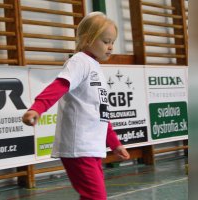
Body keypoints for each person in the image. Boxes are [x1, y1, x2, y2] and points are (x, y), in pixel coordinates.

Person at [22, 12, 130, 200]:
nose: (111, 47)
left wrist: (114, 143)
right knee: (96, 197)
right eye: (106, 41)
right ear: (88, 39)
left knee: (91, 196)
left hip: (92, 147)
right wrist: (37, 107)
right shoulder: (79, 61)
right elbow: (59, 86)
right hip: (79, 146)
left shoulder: (95, 67)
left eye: (112, 42)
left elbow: (101, 112)